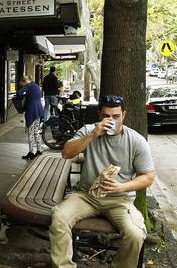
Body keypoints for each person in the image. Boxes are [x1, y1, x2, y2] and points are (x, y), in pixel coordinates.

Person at [49, 95, 155, 268]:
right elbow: (66, 153)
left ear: (124, 115)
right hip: (86, 195)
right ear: (100, 115)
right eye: (106, 116)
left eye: (116, 116)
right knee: (59, 218)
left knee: (135, 234)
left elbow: (148, 176)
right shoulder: (89, 131)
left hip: (119, 200)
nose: (111, 120)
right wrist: (92, 135)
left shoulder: (135, 141)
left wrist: (122, 187)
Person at [16, 76, 44, 160]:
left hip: (32, 112)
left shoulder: (29, 85)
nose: (23, 85)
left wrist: (24, 91)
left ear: (25, 81)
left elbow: (18, 93)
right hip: (39, 111)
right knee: (36, 132)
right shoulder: (36, 86)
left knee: (30, 133)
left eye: (23, 84)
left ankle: (31, 152)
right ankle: (39, 150)